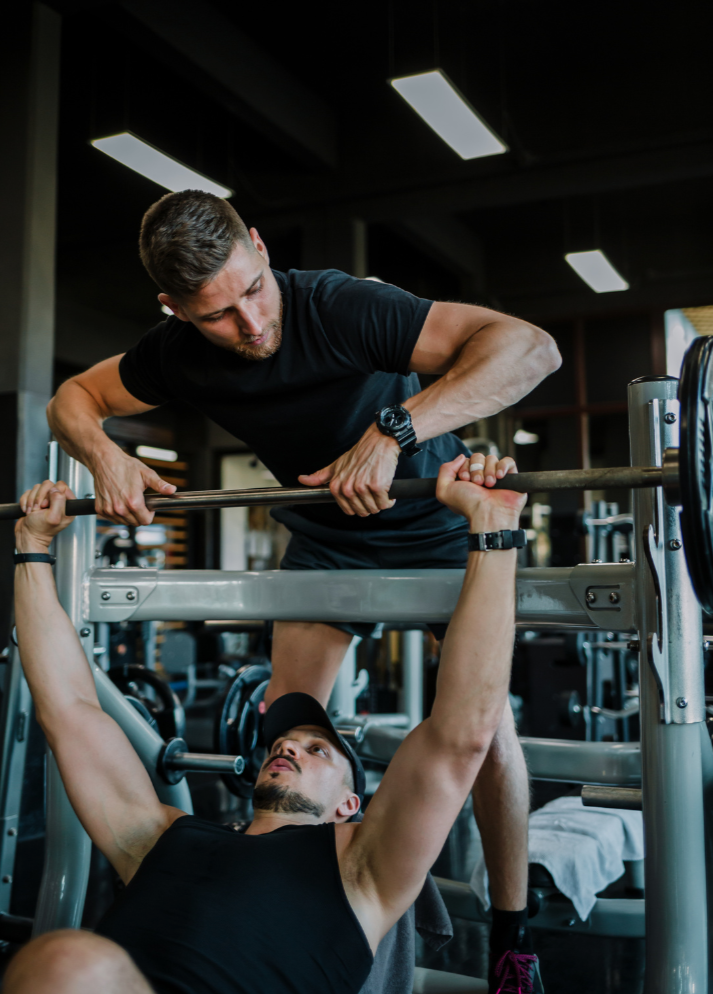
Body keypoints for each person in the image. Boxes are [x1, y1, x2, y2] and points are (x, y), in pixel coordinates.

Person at [46, 191, 561, 976]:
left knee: (485, 735)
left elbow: (530, 348)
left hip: (436, 533)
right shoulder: (176, 353)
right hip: (326, 543)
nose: (249, 325)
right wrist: (105, 456)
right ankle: (333, 903)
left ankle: (511, 936)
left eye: (252, 288)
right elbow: (72, 398)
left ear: (257, 244)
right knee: (287, 730)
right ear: (173, 309)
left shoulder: (338, 307)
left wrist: (394, 429)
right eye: (216, 314)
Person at [5, 458, 536, 994]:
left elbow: (462, 733)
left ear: (349, 807)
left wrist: (493, 531)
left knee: (66, 963)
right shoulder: (156, 839)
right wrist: (31, 545)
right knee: (62, 965)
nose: (288, 745)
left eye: (318, 750)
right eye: (285, 741)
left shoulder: (362, 871)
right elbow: (68, 708)